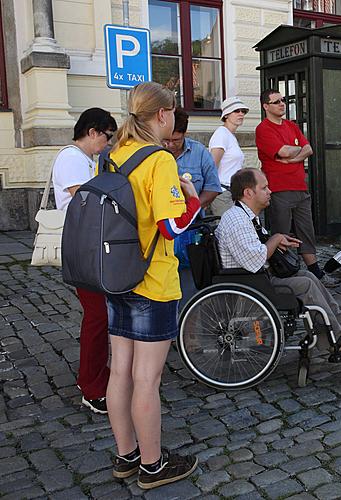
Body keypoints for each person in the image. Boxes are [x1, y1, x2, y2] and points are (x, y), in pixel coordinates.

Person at [105, 82, 200, 489]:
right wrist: (191, 196)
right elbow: (172, 224)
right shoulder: (159, 160)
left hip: (115, 276)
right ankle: (153, 465)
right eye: (172, 113)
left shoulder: (112, 156)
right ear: (161, 115)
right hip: (152, 280)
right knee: (148, 378)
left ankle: (126, 456)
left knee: (120, 372)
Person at [215, 168, 341, 352]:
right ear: (249, 193)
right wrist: (276, 239)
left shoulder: (246, 217)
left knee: (308, 276)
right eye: (264, 188)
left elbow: (260, 247)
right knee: (305, 284)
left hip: (257, 277)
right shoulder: (237, 220)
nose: (269, 191)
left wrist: (280, 241)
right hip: (250, 283)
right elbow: (256, 259)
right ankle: (335, 340)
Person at [52, 107, 117, 415]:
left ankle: (95, 377)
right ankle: (91, 387)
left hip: (89, 244)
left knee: (99, 316)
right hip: (81, 246)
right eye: (106, 137)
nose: (107, 144)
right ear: (92, 132)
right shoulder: (71, 158)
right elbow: (86, 199)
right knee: (96, 317)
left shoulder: (87, 159)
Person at [255, 89, 339, 287]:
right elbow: (283, 150)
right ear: (266, 106)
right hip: (278, 189)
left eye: (283, 100)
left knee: (306, 232)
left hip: (301, 188)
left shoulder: (292, 126)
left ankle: (316, 273)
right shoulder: (263, 129)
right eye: (276, 102)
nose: (282, 104)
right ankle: (282, 273)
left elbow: (308, 149)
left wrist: (291, 157)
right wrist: (292, 152)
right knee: (281, 234)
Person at [164, 107, 222, 307]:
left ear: (185, 134)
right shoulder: (155, 152)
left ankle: (188, 326)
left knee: (190, 281)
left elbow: (213, 188)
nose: (170, 145)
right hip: (164, 230)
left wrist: (193, 207)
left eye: (176, 140)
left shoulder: (199, 152)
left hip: (192, 228)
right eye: (167, 140)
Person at [209, 96, 248, 216]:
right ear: (226, 115)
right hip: (223, 193)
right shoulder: (221, 134)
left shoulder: (230, 135)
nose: (241, 114)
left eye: (243, 111)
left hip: (232, 193)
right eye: (236, 111)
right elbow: (212, 166)